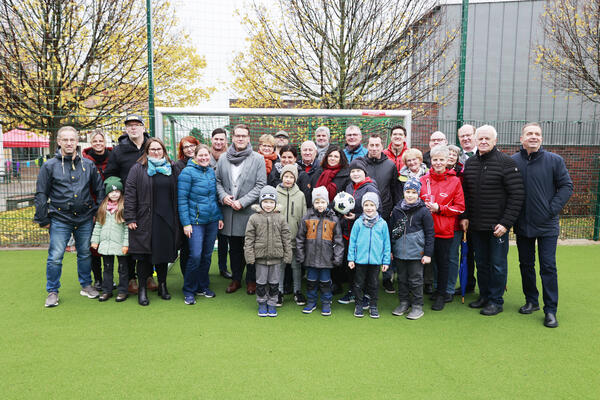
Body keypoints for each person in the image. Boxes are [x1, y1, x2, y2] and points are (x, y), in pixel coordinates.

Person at [34, 126, 105, 307]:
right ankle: (52, 291)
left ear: (77, 141)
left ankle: (86, 285)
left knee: (85, 254)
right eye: (65, 140)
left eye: (72, 139)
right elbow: (41, 193)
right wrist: (43, 219)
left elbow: (99, 189)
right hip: (60, 218)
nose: (69, 143)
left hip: (85, 217)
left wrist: (97, 212)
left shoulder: (87, 165)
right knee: (55, 256)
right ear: (58, 142)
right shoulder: (49, 166)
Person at [512, 122, 573, 328]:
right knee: (526, 265)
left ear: (542, 139)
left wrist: (551, 209)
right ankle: (531, 301)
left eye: (537, 134)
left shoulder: (555, 161)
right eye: (529, 133)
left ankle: (550, 310)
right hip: (523, 224)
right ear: (522, 139)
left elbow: (566, 186)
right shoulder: (513, 162)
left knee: (548, 267)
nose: (533, 137)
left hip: (547, 224)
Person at [461, 125, 524, 316]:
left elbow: (517, 195)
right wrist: (464, 217)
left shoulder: (506, 162)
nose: (483, 142)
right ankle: (485, 296)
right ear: (475, 140)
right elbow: (466, 194)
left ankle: (496, 301)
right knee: (482, 263)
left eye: (487, 139)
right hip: (476, 225)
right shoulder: (470, 163)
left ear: (495, 141)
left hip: (498, 227)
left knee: (497, 264)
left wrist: (506, 223)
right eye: (480, 139)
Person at [124, 138, 179, 306]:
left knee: (163, 256)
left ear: (164, 150)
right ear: (147, 151)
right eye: (152, 149)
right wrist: (131, 217)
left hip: (167, 218)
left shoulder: (172, 168)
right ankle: (142, 289)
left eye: (159, 149)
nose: (156, 152)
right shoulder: (138, 169)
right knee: (143, 256)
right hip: (145, 218)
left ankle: (162, 286)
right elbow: (130, 194)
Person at [104, 114, 153, 294]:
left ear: (143, 127)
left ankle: (148, 275)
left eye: (137, 124)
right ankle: (131, 278)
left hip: (149, 202)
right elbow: (110, 174)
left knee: (148, 238)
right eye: (129, 125)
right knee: (130, 240)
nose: (133, 128)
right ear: (126, 129)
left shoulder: (151, 146)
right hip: (128, 202)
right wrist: (118, 194)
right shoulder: (119, 150)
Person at [216, 124, 267, 294]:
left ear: (248, 138)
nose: (240, 139)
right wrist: (223, 196)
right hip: (229, 212)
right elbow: (218, 182)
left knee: (250, 248)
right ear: (232, 137)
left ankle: (251, 280)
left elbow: (261, 185)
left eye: (243, 136)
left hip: (248, 212)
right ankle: (236, 279)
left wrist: (243, 201)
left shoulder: (258, 159)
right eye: (237, 135)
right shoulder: (223, 158)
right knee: (235, 249)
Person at [420, 145, 465, 311]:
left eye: (441, 160)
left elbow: (460, 207)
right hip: (425, 230)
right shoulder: (423, 179)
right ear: (431, 160)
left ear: (448, 161)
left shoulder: (455, 181)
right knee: (428, 263)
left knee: (443, 262)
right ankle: (427, 291)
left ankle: (442, 294)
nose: (438, 163)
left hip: (444, 230)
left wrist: (440, 209)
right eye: (435, 159)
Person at [178, 144, 224, 305]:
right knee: (195, 255)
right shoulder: (187, 173)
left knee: (206, 255)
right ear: (195, 157)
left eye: (206, 155)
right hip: (195, 222)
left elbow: (214, 197)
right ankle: (189, 290)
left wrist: (218, 216)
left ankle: (203, 286)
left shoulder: (211, 172)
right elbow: (182, 200)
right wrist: (186, 223)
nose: (204, 158)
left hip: (211, 221)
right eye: (201, 155)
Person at [337, 158, 381, 305]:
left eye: (358, 171)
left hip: (364, 235)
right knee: (351, 264)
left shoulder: (371, 188)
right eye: (353, 171)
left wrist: (356, 216)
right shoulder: (349, 186)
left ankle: (367, 295)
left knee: (364, 266)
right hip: (348, 233)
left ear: (364, 172)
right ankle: (353, 291)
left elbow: (377, 211)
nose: (355, 174)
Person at [390, 179, 434, 320]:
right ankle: (404, 302)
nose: (410, 195)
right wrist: (391, 249)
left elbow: (430, 233)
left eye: (413, 192)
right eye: (407, 192)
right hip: (399, 252)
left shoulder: (423, 212)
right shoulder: (397, 210)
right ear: (403, 193)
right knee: (402, 279)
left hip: (416, 252)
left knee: (415, 280)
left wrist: (427, 253)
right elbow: (393, 231)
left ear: (418, 194)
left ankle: (417, 306)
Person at [244, 186, 292, 317]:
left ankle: (272, 303)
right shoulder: (254, 218)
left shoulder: (280, 218)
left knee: (274, 283)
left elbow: (286, 237)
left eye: (271, 202)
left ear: (275, 203)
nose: (268, 205)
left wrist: (288, 255)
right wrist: (250, 256)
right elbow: (249, 238)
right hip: (260, 258)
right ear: (260, 202)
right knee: (260, 282)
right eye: (265, 202)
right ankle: (262, 303)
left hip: (276, 257)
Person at [296, 187, 344, 316]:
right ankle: (311, 302)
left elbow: (338, 241)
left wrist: (338, 257)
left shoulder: (333, 219)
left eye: (322, 202)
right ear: (313, 203)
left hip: (326, 259)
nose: (320, 205)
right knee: (311, 282)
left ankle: (326, 302)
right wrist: (300, 255)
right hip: (310, 258)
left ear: (327, 202)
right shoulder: (307, 218)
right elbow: (300, 238)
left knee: (325, 283)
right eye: (317, 202)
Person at [347, 192, 391, 319]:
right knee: (358, 283)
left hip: (376, 261)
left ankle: (373, 306)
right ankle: (359, 305)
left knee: (374, 284)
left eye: (372, 205)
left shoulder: (382, 224)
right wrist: (351, 258)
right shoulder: (358, 223)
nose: (369, 208)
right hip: (360, 260)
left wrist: (386, 261)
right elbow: (352, 242)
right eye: (366, 205)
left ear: (376, 206)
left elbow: (386, 244)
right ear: (363, 207)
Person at [82, 129, 113, 290]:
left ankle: (110, 278)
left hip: (113, 206)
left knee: (111, 242)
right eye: (95, 141)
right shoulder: (84, 160)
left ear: (105, 142)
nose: (98, 144)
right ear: (91, 143)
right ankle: (98, 279)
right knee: (94, 245)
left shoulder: (113, 157)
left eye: (101, 141)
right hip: (93, 208)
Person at [91, 176, 129, 302]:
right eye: (112, 192)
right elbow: (98, 226)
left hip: (119, 243)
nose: (114, 194)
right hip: (106, 244)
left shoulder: (123, 207)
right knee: (107, 267)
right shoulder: (103, 208)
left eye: (117, 191)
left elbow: (126, 229)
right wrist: (95, 241)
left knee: (123, 268)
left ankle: (123, 290)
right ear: (107, 193)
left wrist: (126, 244)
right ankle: (107, 290)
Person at [276, 164, 307, 306]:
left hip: (295, 238)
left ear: (295, 178)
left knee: (296, 266)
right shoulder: (275, 193)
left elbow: (303, 217)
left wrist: (302, 236)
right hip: (279, 239)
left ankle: (297, 292)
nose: (288, 179)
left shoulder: (300, 195)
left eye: (291, 177)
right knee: (280, 265)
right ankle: (279, 292)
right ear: (282, 177)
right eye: (286, 176)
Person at [208, 128, 233, 279]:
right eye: (216, 139)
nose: (218, 142)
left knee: (224, 239)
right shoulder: (205, 156)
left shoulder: (230, 156)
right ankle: (204, 270)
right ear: (211, 140)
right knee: (208, 239)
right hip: (208, 204)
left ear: (226, 141)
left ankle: (223, 268)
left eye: (221, 139)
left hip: (225, 203)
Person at [174, 136, 200, 277]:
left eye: (192, 145)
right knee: (187, 248)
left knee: (198, 250)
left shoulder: (203, 163)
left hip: (200, 214)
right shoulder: (178, 166)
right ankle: (187, 277)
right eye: (186, 147)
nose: (189, 149)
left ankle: (199, 277)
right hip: (186, 214)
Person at [457, 124, 477, 293]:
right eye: (462, 136)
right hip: (465, 213)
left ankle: (489, 289)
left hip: (484, 213)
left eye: (469, 135)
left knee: (484, 254)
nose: (466, 139)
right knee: (467, 251)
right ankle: (469, 283)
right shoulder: (457, 158)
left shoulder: (488, 154)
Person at [445, 144, 466, 298]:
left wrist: (464, 217)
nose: (451, 156)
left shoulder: (462, 175)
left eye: (454, 154)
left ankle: (449, 288)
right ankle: (437, 285)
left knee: (452, 256)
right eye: (449, 153)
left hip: (455, 221)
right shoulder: (435, 173)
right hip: (438, 222)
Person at [297, 140, 322, 206]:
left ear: (315, 152)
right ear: (301, 152)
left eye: (310, 150)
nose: (307, 153)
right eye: (305, 150)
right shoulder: (296, 167)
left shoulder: (321, 168)